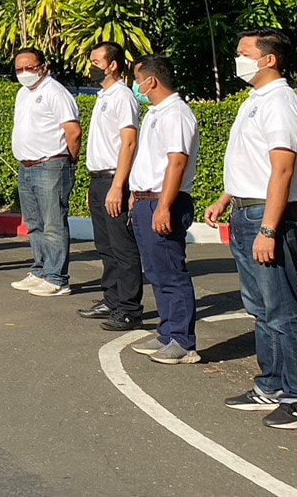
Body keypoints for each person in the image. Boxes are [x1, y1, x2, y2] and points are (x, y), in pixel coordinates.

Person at [204, 28, 297, 429]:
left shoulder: (280, 102)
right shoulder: (256, 100)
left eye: (244, 53)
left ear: (269, 59)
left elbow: (282, 169)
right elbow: (253, 162)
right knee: (262, 309)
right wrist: (226, 197)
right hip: (246, 211)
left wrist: (268, 229)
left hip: (266, 217)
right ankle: (273, 384)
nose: (238, 59)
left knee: (284, 310)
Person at [128, 56, 200, 365]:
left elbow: (177, 161)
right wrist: (136, 194)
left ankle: (183, 342)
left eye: (137, 80)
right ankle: (167, 332)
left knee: (171, 272)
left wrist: (164, 207)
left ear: (151, 81)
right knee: (156, 272)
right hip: (147, 200)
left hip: (164, 201)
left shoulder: (176, 113)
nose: (136, 87)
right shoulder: (156, 113)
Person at [80, 42, 144, 329]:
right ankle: (112, 299)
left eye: (96, 61)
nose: (92, 67)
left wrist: (118, 186)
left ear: (113, 65)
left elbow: (129, 142)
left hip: (114, 178)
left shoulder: (122, 96)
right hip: (99, 179)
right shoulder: (104, 96)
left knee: (122, 246)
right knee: (105, 245)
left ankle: (129, 308)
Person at [9, 47, 82, 298]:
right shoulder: (23, 93)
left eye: (29, 67)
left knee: (53, 224)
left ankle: (57, 278)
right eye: (19, 69)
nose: (24, 73)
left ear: (43, 67)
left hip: (50, 164)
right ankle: (40, 269)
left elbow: (73, 131)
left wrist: (70, 159)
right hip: (27, 165)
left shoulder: (55, 92)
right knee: (34, 223)